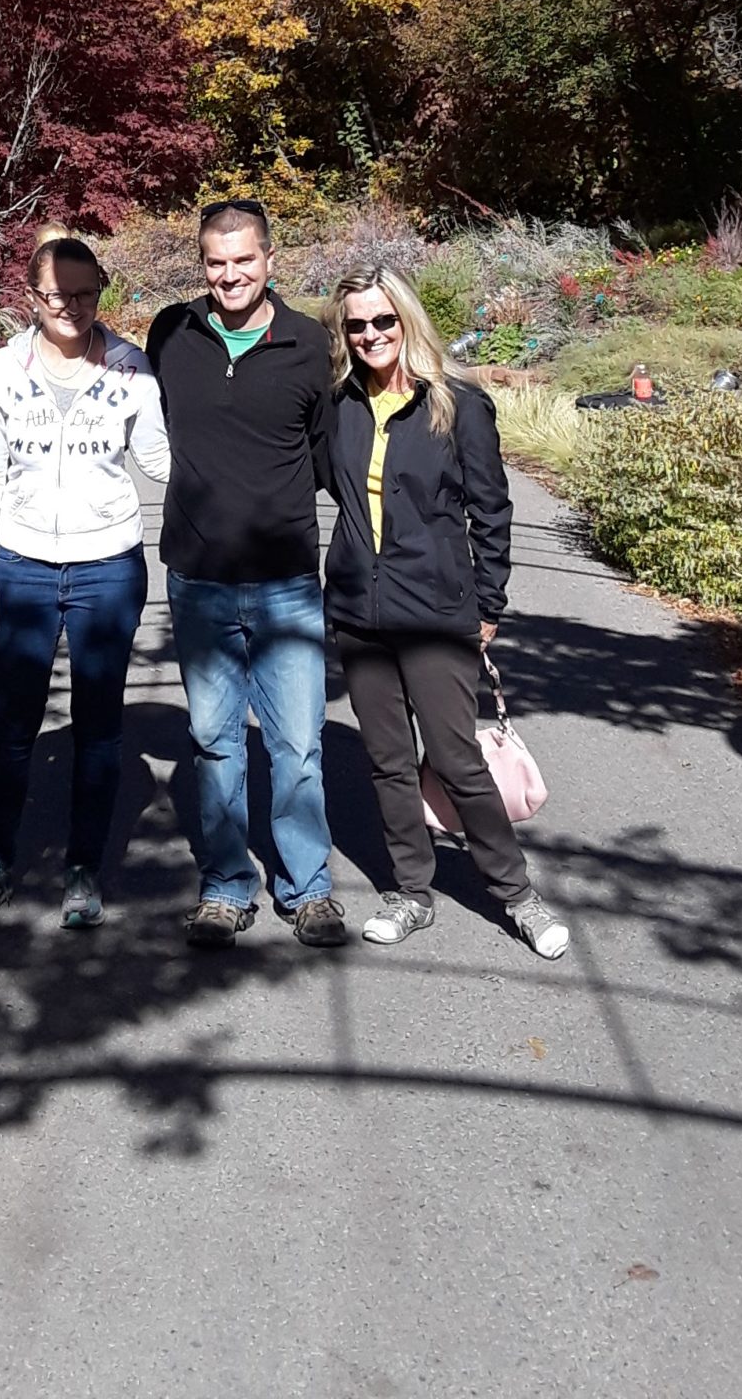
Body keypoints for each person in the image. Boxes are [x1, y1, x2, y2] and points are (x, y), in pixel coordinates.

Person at [325, 265, 570, 961]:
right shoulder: (339, 403)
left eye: (384, 320)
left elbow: (491, 510)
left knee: (459, 761)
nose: (371, 334)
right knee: (388, 762)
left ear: (407, 319)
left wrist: (489, 603)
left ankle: (517, 895)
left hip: (437, 612)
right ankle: (411, 892)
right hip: (360, 612)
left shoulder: (457, 404)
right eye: (356, 325)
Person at [0, 233, 170, 930]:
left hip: (108, 565)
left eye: (84, 294)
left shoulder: (131, 369)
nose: (72, 308)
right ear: (32, 297)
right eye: (57, 296)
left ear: (100, 291)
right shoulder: (0, 371)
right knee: (13, 722)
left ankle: (83, 867)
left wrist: (233, 454)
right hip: (21, 567)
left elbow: (161, 460)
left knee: (99, 726)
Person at [147, 198, 345, 951]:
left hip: (285, 580)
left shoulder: (309, 346)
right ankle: (227, 886)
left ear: (269, 260)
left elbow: (331, 458)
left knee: (297, 745)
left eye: (243, 260)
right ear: (202, 264)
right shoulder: (172, 333)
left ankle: (307, 889)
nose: (229, 275)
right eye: (215, 262)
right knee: (213, 741)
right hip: (198, 579)